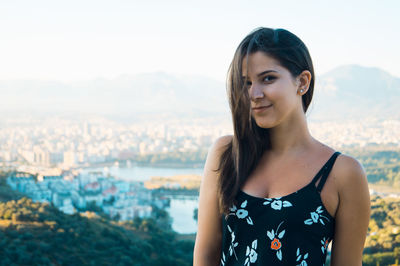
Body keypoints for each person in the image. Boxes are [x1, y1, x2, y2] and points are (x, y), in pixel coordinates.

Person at [193, 27, 370, 266]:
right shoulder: (227, 155)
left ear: (303, 82)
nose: (254, 94)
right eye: (245, 83)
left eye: (268, 78)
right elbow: (206, 254)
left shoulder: (342, 172)